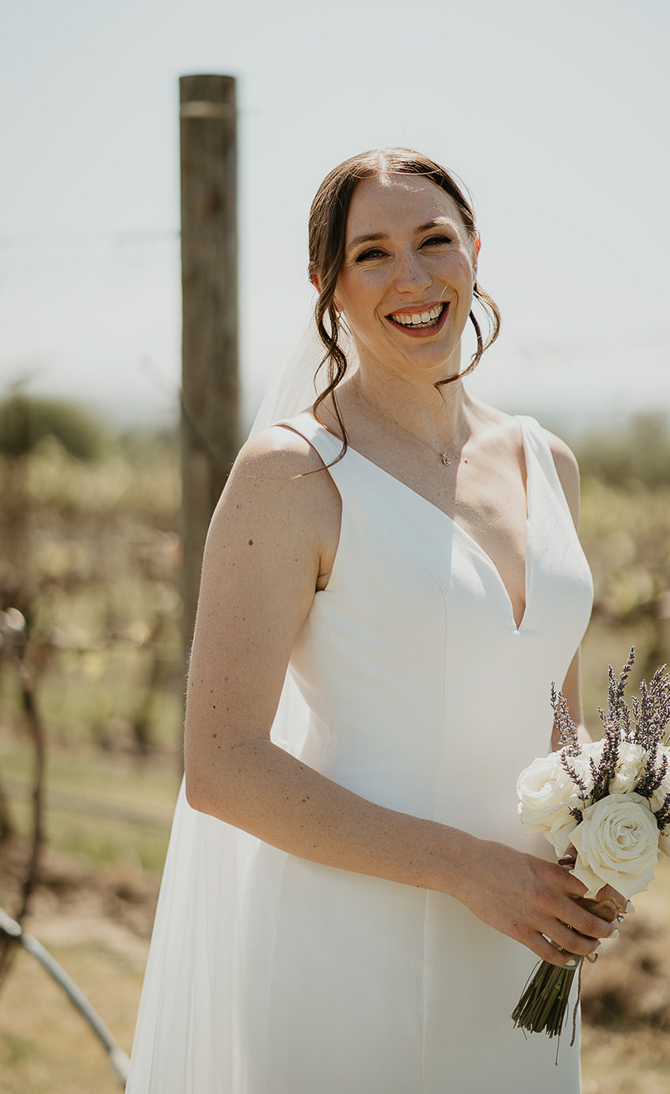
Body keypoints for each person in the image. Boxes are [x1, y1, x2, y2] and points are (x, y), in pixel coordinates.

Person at [127, 148, 621, 1093]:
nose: (414, 277)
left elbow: (553, 715)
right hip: (351, 933)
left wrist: (612, 823)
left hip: (526, 936)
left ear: (475, 250)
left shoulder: (545, 460)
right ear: (328, 285)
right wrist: (465, 868)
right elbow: (221, 766)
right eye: (373, 255)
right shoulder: (293, 473)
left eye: (435, 240)